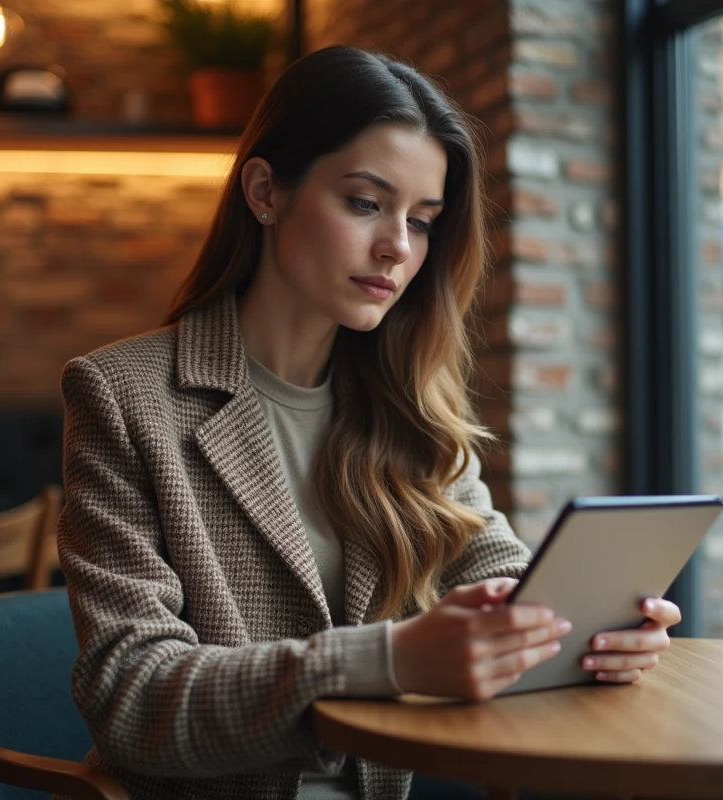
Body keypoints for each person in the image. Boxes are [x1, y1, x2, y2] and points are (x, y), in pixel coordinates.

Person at [57, 45, 682, 800]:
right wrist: (387, 660)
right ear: (265, 191)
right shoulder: (123, 396)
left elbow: (498, 575)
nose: (398, 247)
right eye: (364, 203)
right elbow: (132, 696)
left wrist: (587, 630)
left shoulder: (410, 406)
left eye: (422, 221)